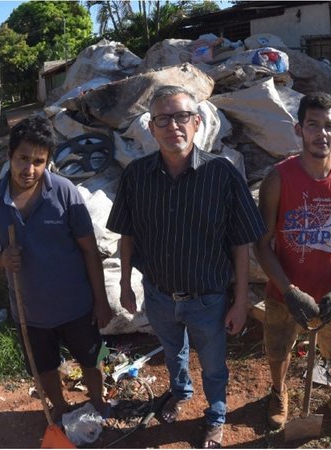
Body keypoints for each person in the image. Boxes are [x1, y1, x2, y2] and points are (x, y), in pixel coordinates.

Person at [106, 85, 266, 448]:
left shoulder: (221, 175)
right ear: (151, 127)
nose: (172, 126)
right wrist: (127, 284)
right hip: (159, 295)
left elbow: (241, 244)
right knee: (172, 352)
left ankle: (217, 414)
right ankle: (180, 393)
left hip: (208, 299)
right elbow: (126, 235)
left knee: (213, 365)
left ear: (196, 122)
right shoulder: (137, 176)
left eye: (181, 117)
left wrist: (240, 302)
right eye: (162, 118)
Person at [0, 115, 113, 422]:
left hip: (78, 306)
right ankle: (60, 409)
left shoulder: (64, 192)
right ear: (9, 155)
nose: (29, 169)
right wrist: (1, 260)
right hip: (30, 312)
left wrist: (101, 301)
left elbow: (90, 250)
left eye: (39, 161)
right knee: (44, 367)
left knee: (95, 357)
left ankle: (99, 400)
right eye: (23, 159)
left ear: (48, 161)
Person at [253, 92, 331, 429]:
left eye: (328, 126)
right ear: (298, 130)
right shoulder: (278, 179)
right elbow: (262, 245)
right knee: (277, 349)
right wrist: (288, 290)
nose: (321, 134)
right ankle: (278, 392)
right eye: (312, 125)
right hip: (283, 291)